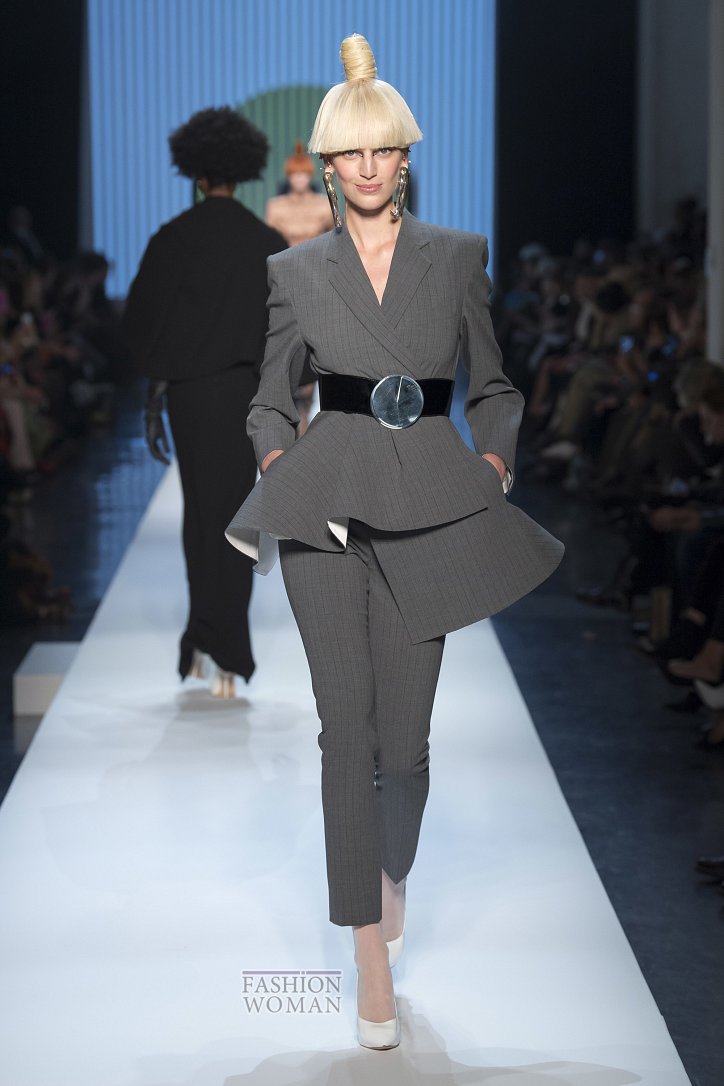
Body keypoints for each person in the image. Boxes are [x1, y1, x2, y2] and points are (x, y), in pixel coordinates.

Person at [226, 35, 564, 1047]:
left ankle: (392, 871)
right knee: (345, 729)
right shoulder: (294, 270)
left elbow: (492, 383)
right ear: (328, 167)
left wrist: (494, 462)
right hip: (325, 506)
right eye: (350, 153)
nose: (367, 167)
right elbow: (271, 396)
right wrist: (277, 460)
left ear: (404, 159)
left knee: (404, 748)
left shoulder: (456, 256)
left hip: (426, 500)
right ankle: (367, 949)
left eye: (384, 151)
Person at [122, 107, 287, 696]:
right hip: (246, 395)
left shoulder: (173, 239)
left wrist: (156, 387)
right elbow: (284, 329)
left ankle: (203, 637)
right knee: (239, 515)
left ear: (195, 173)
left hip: (190, 396)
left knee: (200, 515)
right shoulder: (266, 241)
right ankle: (228, 649)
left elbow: (142, 323)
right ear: (244, 171)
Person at [265, 142, 335, 435]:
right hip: (284, 281)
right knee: (286, 341)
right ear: (289, 177)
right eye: (295, 175)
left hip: (315, 282)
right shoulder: (276, 207)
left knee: (312, 343)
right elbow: (269, 245)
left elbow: (335, 241)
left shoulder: (322, 205)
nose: (299, 180)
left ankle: (303, 420)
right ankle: (290, 418)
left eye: (303, 175)